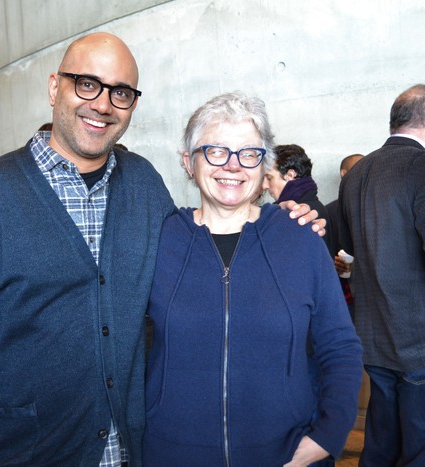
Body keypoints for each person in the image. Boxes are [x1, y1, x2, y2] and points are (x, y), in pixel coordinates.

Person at [0, 32, 323, 467]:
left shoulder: (143, 182)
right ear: (54, 87)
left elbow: (203, 253)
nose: (102, 104)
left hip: (133, 448)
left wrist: (280, 227)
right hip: (30, 449)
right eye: (86, 84)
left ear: (132, 104)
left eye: (120, 92)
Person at [142, 93, 363, 466]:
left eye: (248, 154)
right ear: (188, 162)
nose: (233, 166)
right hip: (173, 452)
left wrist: (326, 437)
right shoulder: (157, 241)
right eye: (216, 151)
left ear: (264, 168)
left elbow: (340, 346)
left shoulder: (301, 237)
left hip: (287, 454)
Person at [338, 84, 425, 467]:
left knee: (381, 438)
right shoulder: (420, 166)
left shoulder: (355, 174)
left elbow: (347, 250)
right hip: (418, 337)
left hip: (372, 333)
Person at [263, 144, 332, 254]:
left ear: (290, 175)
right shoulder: (318, 206)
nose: (264, 185)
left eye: (269, 178)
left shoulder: (295, 212)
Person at [324, 154, 364, 312]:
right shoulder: (329, 211)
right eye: (358, 168)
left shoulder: (379, 207)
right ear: (343, 173)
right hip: (344, 296)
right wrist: (333, 263)